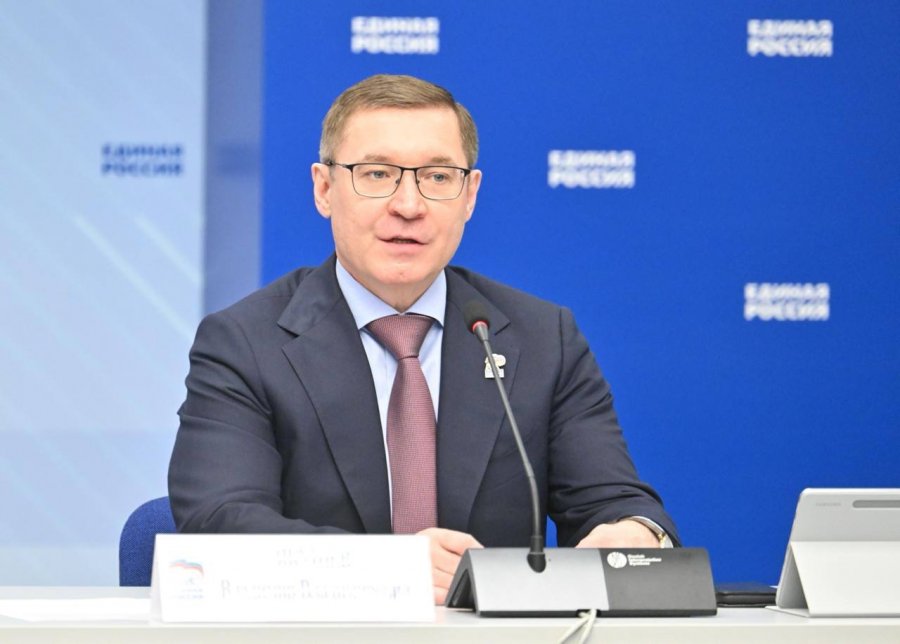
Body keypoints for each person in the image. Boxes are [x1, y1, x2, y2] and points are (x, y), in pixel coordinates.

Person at [169, 73, 678, 604]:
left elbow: (612, 501)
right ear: (324, 189)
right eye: (377, 174)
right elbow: (218, 522)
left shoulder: (541, 339)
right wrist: (391, 570)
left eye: (437, 177)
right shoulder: (245, 344)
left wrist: (636, 532)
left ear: (469, 195)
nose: (409, 205)